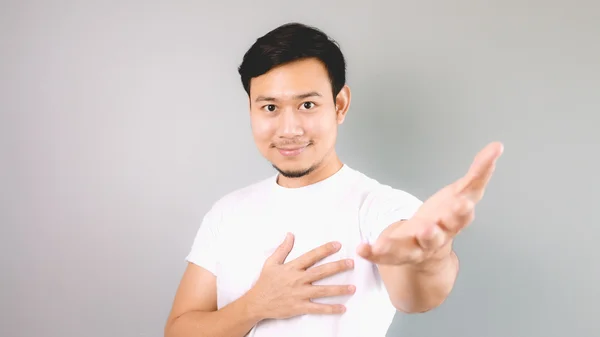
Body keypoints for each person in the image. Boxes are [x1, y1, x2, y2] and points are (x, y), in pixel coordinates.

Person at [164, 22, 503, 337]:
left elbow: (417, 296)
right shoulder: (227, 212)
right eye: (270, 108)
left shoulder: (379, 207)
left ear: (339, 105)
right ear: (251, 109)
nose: (289, 129)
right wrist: (255, 305)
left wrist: (432, 256)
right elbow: (178, 330)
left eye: (307, 105)